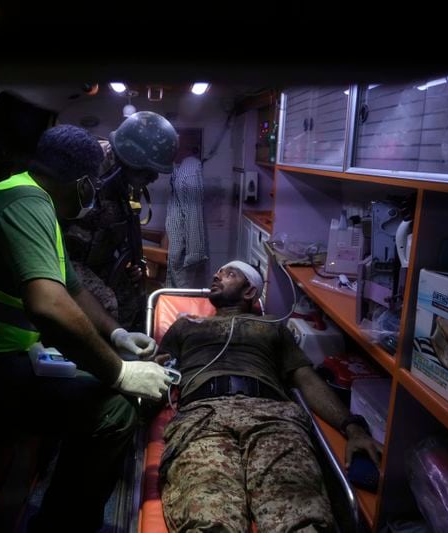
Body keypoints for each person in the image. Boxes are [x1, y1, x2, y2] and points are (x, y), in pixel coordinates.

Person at [0, 124, 173, 533]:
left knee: (102, 379)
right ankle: (60, 527)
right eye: (93, 184)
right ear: (81, 184)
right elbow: (49, 306)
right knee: (114, 410)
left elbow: (73, 290)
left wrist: (117, 337)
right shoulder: (24, 203)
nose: (96, 192)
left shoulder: (34, 200)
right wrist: (120, 372)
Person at [156, 261, 382, 532]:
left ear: (250, 292)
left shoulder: (272, 327)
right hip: (203, 416)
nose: (217, 275)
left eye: (229, 273)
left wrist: (353, 427)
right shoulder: (185, 326)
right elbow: (158, 371)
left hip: (272, 417)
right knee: (208, 516)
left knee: (298, 514)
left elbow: (307, 379)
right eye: (218, 272)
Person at [62, 111, 179, 331]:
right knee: (108, 304)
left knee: (133, 302)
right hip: (64, 259)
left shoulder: (123, 179)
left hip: (98, 260)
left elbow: (119, 224)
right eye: (149, 171)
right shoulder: (88, 168)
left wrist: (129, 262)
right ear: (132, 160)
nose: (153, 178)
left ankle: (125, 353)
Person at [165, 146, 209, 288]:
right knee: (174, 294)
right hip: (178, 251)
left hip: (184, 256)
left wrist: (194, 255)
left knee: (182, 296)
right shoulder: (181, 168)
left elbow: (193, 217)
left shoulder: (189, 171)